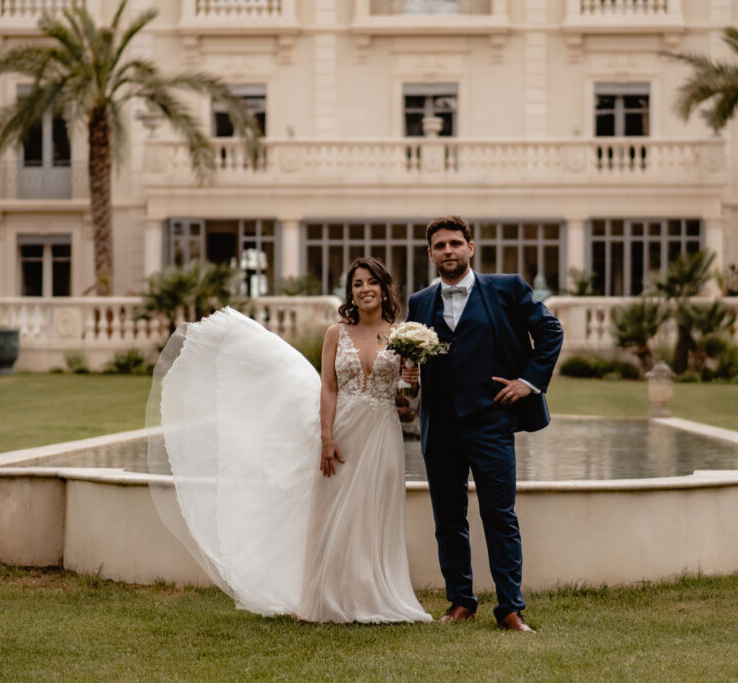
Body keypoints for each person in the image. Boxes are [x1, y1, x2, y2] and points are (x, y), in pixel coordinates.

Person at [150, 257, 430, 624]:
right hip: (343, 430)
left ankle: (372, 597)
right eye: (358, 284)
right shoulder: (336, 334)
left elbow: (406, 398)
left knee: (375, 512)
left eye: (372, 282)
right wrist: (326, 436)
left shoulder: (401, 336)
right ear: (350, 293)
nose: (365, 289)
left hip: (382, 432)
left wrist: (411, 377)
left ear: (384, 288)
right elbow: (328, 388)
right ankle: (326, 599)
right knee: (331, 512)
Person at [404, 216, 563, 633]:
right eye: (440, 245)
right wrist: (409, 377)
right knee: (448, 519)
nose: (448, 250)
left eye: (455, 243)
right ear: (431, 254)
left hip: (491, 421)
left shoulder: (507, 288)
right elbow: (415, 363)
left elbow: (550, 331)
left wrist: (528, 382)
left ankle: (510, 608)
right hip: (439, 427)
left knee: (499, 515)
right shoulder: (419, 302)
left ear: (470, 248)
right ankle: (461, 601)